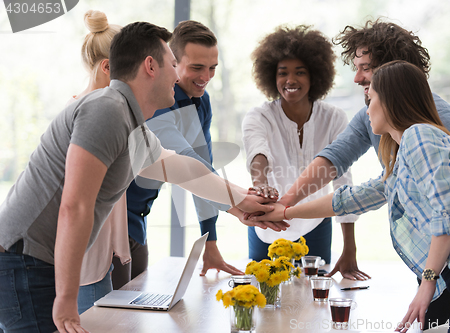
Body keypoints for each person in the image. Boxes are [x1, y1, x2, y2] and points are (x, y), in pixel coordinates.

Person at [0, 21, 285, 332]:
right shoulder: (107, 109)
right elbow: (76, 206)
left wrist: (243, 201)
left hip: (32, 263)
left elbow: (184, 170)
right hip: (24, 262)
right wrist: (68, 298)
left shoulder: (129, 121)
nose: (177, 75)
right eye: (174, 64)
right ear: (151, 66)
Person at [273, 19, 450, 328]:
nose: (365, 102)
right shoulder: (406, 145)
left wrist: (429, 281)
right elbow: (354, 196)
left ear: (391, 82)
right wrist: (285, 209)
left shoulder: (423, 134)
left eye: (366, 71)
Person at [111, 20, 244, 290]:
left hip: (137, 221)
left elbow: (202, 166)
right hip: (112, 223)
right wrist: (244, 205)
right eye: (196, 67)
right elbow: (187, 164)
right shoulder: (160, 102)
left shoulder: (201, 101)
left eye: (212, 68)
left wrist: (211, 242)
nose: (205, 77)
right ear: (173, 63)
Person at [242, 25, 366, 274]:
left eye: (300, 72)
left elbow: (343, 181)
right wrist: (260, 183)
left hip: (316, 224)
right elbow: (258, 153)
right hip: (268, 224)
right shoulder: (258, 117)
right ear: (271, 77)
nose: (290, 80)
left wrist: (349, 247)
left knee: (315, 303)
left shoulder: (334, 118)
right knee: (265, 301)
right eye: (282, 73)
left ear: (315, 76)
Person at [68, 9, 131, 315]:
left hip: (98, 258)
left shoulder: (109, 112)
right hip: (84, 264)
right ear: (107, 68)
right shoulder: (89, 116)